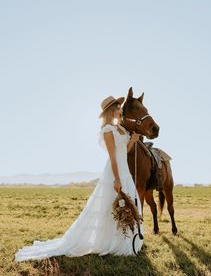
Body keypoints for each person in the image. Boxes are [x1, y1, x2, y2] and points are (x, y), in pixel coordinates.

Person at [15, 95, 144, 262]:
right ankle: (109, 242)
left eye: (120, 107)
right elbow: (113, 157)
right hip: (115, 171)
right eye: (118, 107)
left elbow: (124, 152)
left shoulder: (121, 129)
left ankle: (125, 241)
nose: (120, 109)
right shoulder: (107, 130)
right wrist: (117, 180)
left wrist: (132, 141)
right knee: (111, 206)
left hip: (125, 170)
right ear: (111, 111)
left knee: (129, 205)